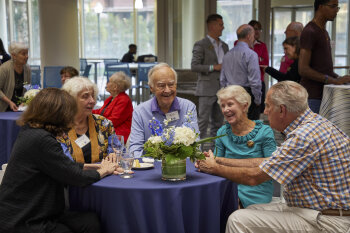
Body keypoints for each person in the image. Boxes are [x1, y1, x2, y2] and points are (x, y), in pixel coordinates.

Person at [197, 81, 350, 233]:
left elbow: (254, 177)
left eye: (268, 106)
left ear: (282, 110)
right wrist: (218, 160)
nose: (265, 110)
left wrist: (214, 167)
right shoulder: (313, 125)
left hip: (328, 220)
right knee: (252, 209)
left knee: (238, 219)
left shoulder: (303, 136)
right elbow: (270, 162)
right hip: (311, 210)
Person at [0, 88, 117, 233]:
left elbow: (62, 166)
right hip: (25, 220)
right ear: (57, 114)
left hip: (35, 211)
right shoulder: (41, 140)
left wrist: (95, 167)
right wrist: (104, 170)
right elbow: (75, 177)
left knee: (90, 222)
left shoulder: (31, 131)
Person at [215, 85, 276, 207]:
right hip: (229, 185)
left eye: (230, 104)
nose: (226, 109)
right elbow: (216, 165)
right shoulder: (222, 133)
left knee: (228, 205)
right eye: (223, 106)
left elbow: (273, 166)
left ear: (244, 106)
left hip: (255, 187)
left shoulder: (264, 132)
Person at [129, 63, 199, 157]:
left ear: (176, 85)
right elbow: (135, 150)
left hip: (181, 166)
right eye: (161, 85)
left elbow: (196, 145)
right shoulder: (140, 112)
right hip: (150, 167)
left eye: (171, 85)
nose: (167, 90)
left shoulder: (188, 108)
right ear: (151, 88)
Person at [299, 0, 350, 113]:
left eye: (337, 7)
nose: (336, 11)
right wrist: (333, 80)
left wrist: (340, 79)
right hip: (312, 96)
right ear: (321, 7)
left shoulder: (323, 32)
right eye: (333, 6)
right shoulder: (310, 31)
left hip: (323, 95)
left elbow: (323, 68)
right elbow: (303, 69)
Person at [57, 77, 116, 163]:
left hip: (106, 175)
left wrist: (113, 155)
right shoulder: (58, 127)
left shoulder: (103, 123)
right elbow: (65, 165)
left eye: (93, 96)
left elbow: (118, 150)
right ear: (71, 100)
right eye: (85, 96)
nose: (92, 101)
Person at [191, 14, 228, 148]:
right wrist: (214, 67)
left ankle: (216, 151)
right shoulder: (201, 44)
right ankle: (196, 151)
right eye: (220, 24)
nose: (223, 27)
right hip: (206, 90)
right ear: (212, 26)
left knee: (218, 123)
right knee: (202, 122)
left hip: (222, 90)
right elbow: (194, 66)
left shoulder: (225, 46)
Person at [220, 24, 261, 120]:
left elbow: (222, 80)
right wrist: (257, 99)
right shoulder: (251, 55)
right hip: (246, 94)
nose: (254, 39)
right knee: (250, 128)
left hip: (230, 93)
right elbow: (254, 81)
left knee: (234, 125)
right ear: (249, 36)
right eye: (253, 36)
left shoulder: (227, 55)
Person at [93, 71, 133, 143]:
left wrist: (96, 122)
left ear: (115, 87)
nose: (106, 83)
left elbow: (113, 121)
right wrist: (88, 112)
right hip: (108, 130)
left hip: (117, 134)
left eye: (109, 82)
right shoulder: (111, 98)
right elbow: (101, 112)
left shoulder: (124, 100)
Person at [0, 42, 31, 112]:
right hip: (4, 109)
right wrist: (9, 102)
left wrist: (24, 102)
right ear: (14, 55)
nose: (27, 56)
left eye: (27, 53)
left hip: (20, 108)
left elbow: (27, 87)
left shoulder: (27, 68)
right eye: (23, 54)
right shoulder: (4, 69)